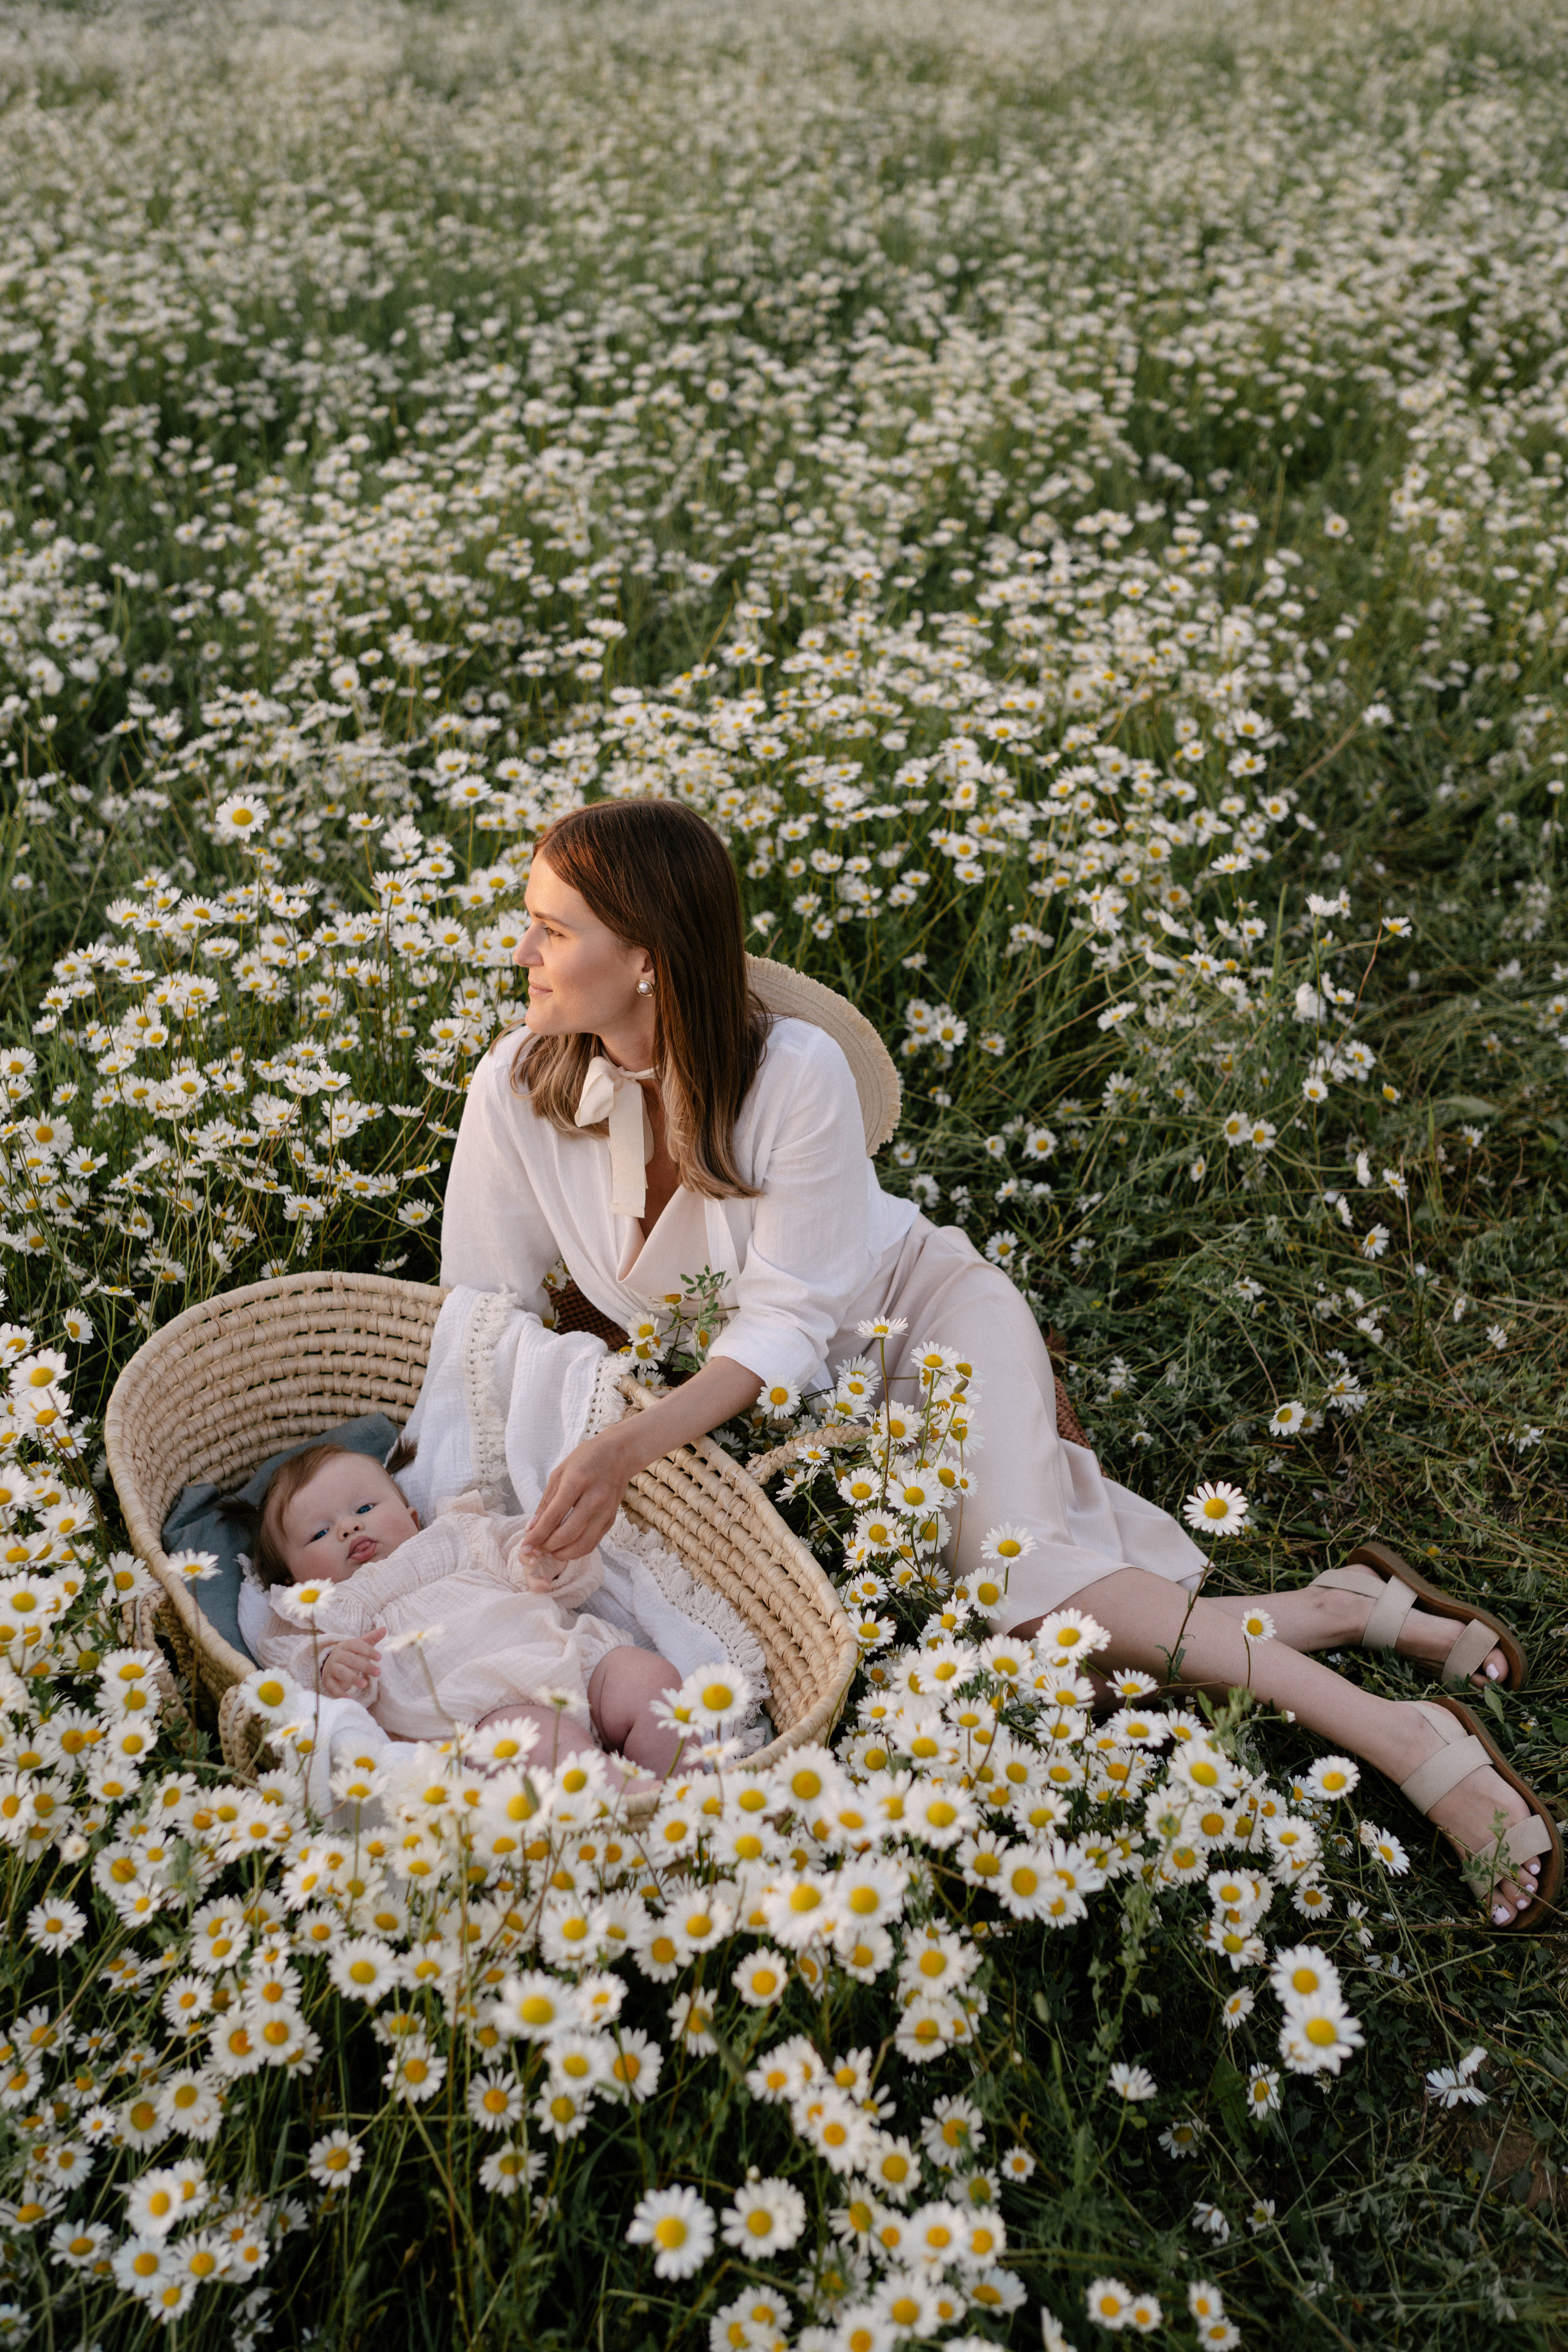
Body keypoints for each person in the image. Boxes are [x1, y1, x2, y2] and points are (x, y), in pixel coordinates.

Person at [438, 798, 1556, 1929]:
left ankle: (1404, 1736)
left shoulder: (793, 1073)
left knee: (1025, 1604)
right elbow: (480, 1314)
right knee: (1041, 1678)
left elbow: (784, 1320)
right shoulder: (517, 1092)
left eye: (552, 929)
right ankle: (1333, 1606)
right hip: (783, 1424)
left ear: (646, 959)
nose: (520, 952)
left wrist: (630, 1443)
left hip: (920, 1328)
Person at [246, 1442, 685, 1781]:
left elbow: (519, 1546)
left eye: (365, 1508)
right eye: (320, 1532)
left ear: (414, 1517)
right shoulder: (320, 1613)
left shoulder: (456, 1535)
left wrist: (542, 1561)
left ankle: (684, 1790)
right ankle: (630, 1813)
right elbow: (291, 1672)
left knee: (654, 1683)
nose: (349, 1526)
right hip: (485, 1710)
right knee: (545, 1745)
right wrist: (330, 1669)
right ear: (293, 1583)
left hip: (575, 1661)